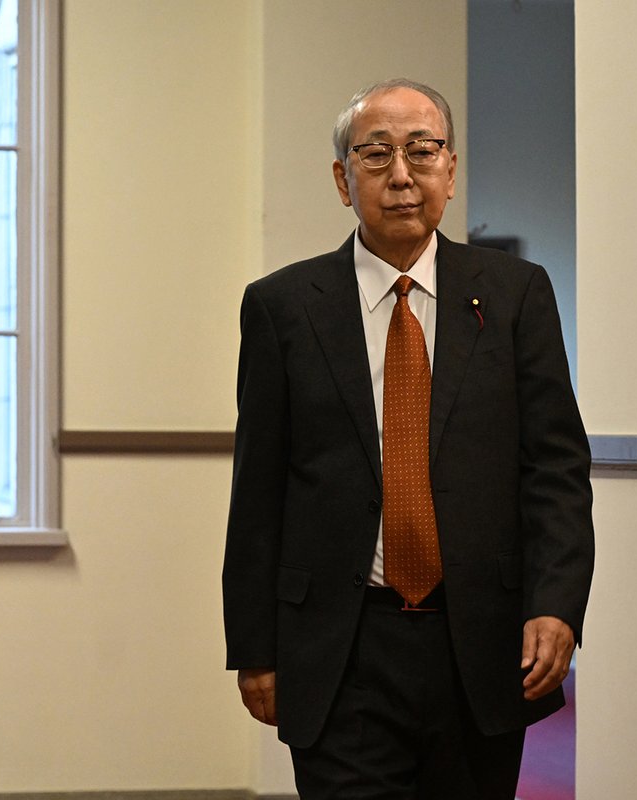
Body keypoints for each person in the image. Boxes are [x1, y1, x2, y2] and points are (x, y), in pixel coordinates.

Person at [222, 78, 594, 799]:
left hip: (480, 641)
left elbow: (555, 469)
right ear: (343, 179)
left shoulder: (515, 294)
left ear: (450, 170)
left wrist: (557, 602)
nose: (401, 175)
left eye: (422, 151)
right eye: (377, 154)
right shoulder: (283, 307)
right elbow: (258, 490)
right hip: (342, 645)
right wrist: (255, 647)